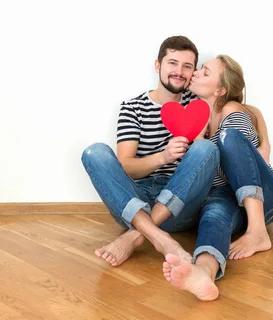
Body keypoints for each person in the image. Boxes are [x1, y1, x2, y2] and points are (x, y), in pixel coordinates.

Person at [81, 36, 219, 267]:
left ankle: (136, 236)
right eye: (172, 63)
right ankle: (160, 238)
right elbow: (126, 168)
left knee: (206, 148)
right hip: (134, 205)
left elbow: (234, 102)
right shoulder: (132, 108)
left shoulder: (199, 105)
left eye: (187, 66)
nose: (179, 71)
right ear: (158, 65)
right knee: (94, 152)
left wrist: (262, 134)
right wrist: (163, 157)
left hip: (181, 208)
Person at [162, 54, 273, 301]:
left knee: (227, 139)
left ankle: (258, 232)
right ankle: (204, 272)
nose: (195, 73)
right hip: (230, 199)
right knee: (214, 213)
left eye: (205, 72)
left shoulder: (232, 111)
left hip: (266, 198)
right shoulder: (200, 116)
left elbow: (238, 167)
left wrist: (200, 145)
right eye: (199, 69)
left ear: (220, 90)